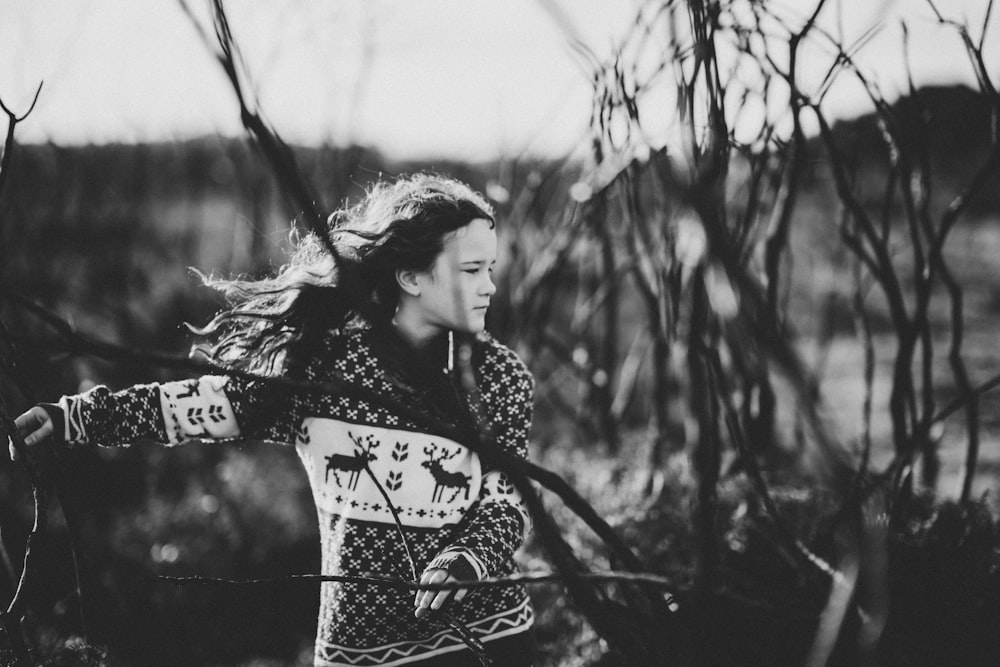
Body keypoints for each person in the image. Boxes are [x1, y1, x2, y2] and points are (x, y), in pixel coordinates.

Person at [10, 173, 537, 666]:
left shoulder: (499, 378)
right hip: (362, 651)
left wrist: (468, 556)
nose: (490, 285)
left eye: (489, 268)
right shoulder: (324, 368)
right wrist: (74, 418)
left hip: (486, 638)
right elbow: (199, 404)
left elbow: (508, 499)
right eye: (472, 270)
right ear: (410, 276)